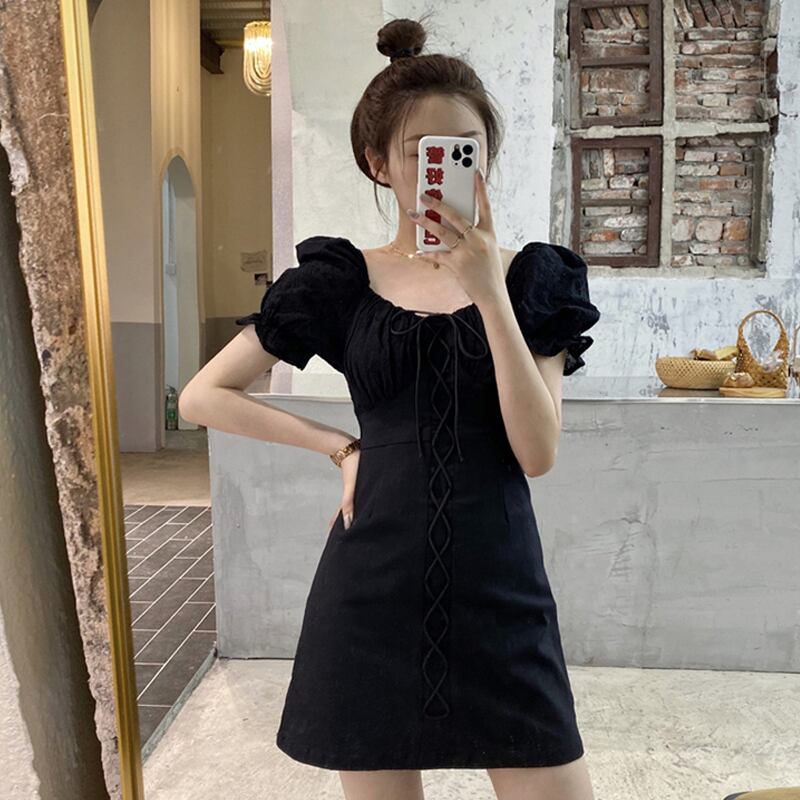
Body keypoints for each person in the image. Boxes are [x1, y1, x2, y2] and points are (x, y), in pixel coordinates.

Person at [180, 15, 601, 800]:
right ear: (379, 163)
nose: (444, 167)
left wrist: (488, 292)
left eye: (465, 148)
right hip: (369, 587)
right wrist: (338, 447)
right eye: (420, 151)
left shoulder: (535, 281)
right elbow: (205, 395)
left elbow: (538, 453)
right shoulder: (339, 282)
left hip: (502, 587)